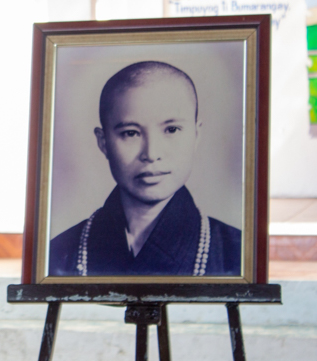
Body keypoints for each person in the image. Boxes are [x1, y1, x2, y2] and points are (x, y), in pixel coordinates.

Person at [49, 61, 241, 277]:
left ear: (196, 135)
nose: (151, 154)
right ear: (103, 142)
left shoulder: (236, 252)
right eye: (130, 133)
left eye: (171, 129)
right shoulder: (58, 253)